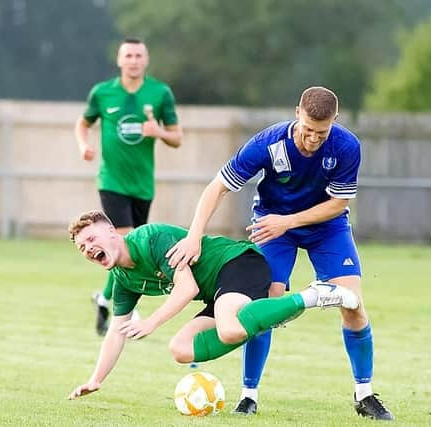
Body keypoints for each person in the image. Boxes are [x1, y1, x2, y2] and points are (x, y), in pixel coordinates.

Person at [165, 86, 394, 420]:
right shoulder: (267, 144)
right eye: (308, 130)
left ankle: (365, 394)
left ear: (335, 122)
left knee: (353, 305)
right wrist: (194, 236)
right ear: (297, 113)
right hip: (272, 228)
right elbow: (218, 187)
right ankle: (248, 395)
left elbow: (339, 203)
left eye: (322, 132)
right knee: (262, 307)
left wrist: (289, 221)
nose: (314, 139)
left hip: (325, 227)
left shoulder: (346, 146)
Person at [67, 210, 359, 400]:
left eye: (91, 238)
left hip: (237, 263)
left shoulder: (150, 239)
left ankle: (314, 295)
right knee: (180, 349)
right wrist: (96, 380)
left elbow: (187, 288)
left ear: (112, 233)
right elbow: (116, 331)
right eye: (82, 247)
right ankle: (265, 315)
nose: (88, 248)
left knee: (231, 329)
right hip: (218, 293)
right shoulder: (123, 279)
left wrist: (151, 322)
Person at [74, 37, 183, 336]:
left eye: (138, 55)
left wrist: (157, 130)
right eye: (128, 55)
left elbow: (177, 138)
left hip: (143, 185)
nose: (133, 60)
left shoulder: (160, 93)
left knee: (128, 246)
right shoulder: (103, 93)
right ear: (120, 60)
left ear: (146, 60)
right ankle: (129, 312)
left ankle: (105, 297)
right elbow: (82, 123)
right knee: (123, 238)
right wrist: (84, 145)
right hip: (112, 181)